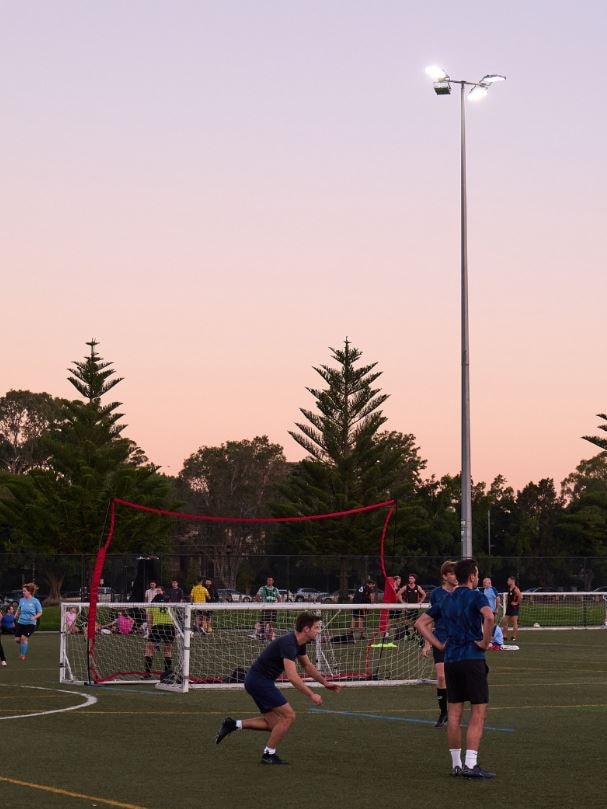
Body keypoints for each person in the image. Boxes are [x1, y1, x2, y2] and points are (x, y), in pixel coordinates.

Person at [215, 610, 341, 764]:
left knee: (275, 725)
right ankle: (268, 754)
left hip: (257, 681)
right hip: (259, 682)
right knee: (289, 716)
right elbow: (293, 677)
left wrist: (325, 682)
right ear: (306, 629)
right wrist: (311, 694)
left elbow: (307, 665)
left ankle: (233, 724)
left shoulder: (299, 643)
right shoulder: (289, 644)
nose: (318, 631)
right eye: (316, 627)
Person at [416, 558, 496, 779]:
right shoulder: (476, 596)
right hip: (472, 659)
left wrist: (439, 644)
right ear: (472, 576)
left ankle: (456, 765)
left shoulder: (446, 600)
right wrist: (485, 642)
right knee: (478, 712)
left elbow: (420, 623)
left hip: (451, 660)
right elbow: (489, 616)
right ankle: (471, 763)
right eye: (477, 573)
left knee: (454, 714)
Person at [421, 560, 458, 727]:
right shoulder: (436, 594)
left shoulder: (463, 592)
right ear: (444, 576)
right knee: (441, 677)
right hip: (440, 639)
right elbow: (428, 619)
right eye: (451, 573)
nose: (455, 576)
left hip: (458, 641)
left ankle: (454, 712)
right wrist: (427, 643)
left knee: (456, 679)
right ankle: (444, 712)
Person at [143, 588, 175, 681]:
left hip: (157, 627)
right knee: (167, 650)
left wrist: (150, 631)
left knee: (149, 648)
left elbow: (149, 620)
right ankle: (167, 674)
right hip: (169, 627)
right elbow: (173, 618)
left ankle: (147, 673)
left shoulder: (152, 606)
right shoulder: (170, 606)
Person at [14, 582, 44, 662]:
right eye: (23, 591)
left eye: (24, 591)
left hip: (30, 624)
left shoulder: (35, 601)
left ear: (29, 592)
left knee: (23, 638)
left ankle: (22, 655)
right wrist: (16, 614)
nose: (23, 592)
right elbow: (19, 608)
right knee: (17, 640)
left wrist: (34, 617)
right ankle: (25, 641)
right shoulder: (21, 600)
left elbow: (40, 612)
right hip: (20, 622)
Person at [398, 574, 426, 641]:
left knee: (415, 621)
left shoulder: (417, 587)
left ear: (414, 579)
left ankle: (415, 634)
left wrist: (420, 602)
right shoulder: (406, 587)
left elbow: (424, 594)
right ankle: (407, 634)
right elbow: (398, 594)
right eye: (409, 578)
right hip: (408, 607)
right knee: (406, 621)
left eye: (412, 578)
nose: (410, 580)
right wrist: (403, 603)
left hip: (415, 607)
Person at [254, 576, 282, 641]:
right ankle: (262, 636)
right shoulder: (262, 588)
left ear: (273, 581)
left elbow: (279, 598)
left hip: (273, 609)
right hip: (265, 609)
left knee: (271, 624)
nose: (269, 581)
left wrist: (278, 605)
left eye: (270, 580)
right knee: (264, 623)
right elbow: (257, 596)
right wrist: (261, 604)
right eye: (268, 580)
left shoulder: (275, 589)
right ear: (267, 581)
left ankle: (270, 637)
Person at [502, 576, 522, 641]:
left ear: (512, 581)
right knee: (505, 621)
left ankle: (513, 636)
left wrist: (516, 603)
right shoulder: (509, 588)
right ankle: (504, 636)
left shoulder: (516, 589)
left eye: (508, 580)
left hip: (514, 608)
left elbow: (520, 597)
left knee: (514, 622)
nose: (507, 582)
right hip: (509, 608)